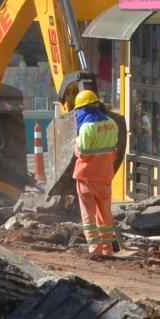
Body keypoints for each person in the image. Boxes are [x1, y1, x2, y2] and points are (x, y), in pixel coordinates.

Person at [71, 89, 120, 258]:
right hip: (105, 176)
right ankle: (108, 249)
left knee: (88, 215)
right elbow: (114, 148)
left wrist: (76, 145)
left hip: (86, 177)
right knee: (105, 213)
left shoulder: (86, 127)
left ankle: (94, 248)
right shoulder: (112, 124)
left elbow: (83, 151)